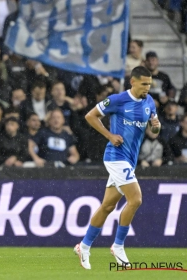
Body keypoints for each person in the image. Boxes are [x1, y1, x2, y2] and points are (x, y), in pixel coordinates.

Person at [74, 66, 161, 270]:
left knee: (107, 206)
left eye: (149, 84)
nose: (147, 88)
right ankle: (118, 245)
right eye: (144, 84)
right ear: (133, 82)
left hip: (130, 160)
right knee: (136, 199)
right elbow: (90, 116)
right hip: (115, 157)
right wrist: (109, 136)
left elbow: (155, 130)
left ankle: (84, 246)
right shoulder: (117, 99)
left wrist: (156, 126)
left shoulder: (149, 102)